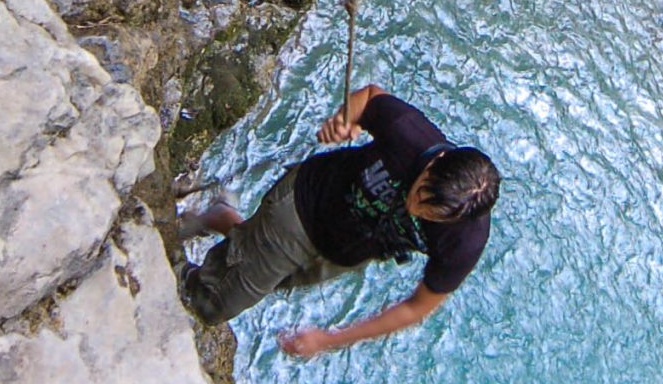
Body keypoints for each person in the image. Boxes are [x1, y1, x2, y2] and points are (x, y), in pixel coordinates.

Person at [176, 83, 500, 360]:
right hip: (304, 207)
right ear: (435, 164)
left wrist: (329, 339)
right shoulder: (409, 134)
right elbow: (372, 96)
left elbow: (416, 307)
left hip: (341, 255)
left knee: (259, 274)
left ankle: (224, 219)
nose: (414, 210)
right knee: (213, 304)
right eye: (419, 194)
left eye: (430, 215)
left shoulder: (463, 241)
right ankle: (173, 263)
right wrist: (347, 120)